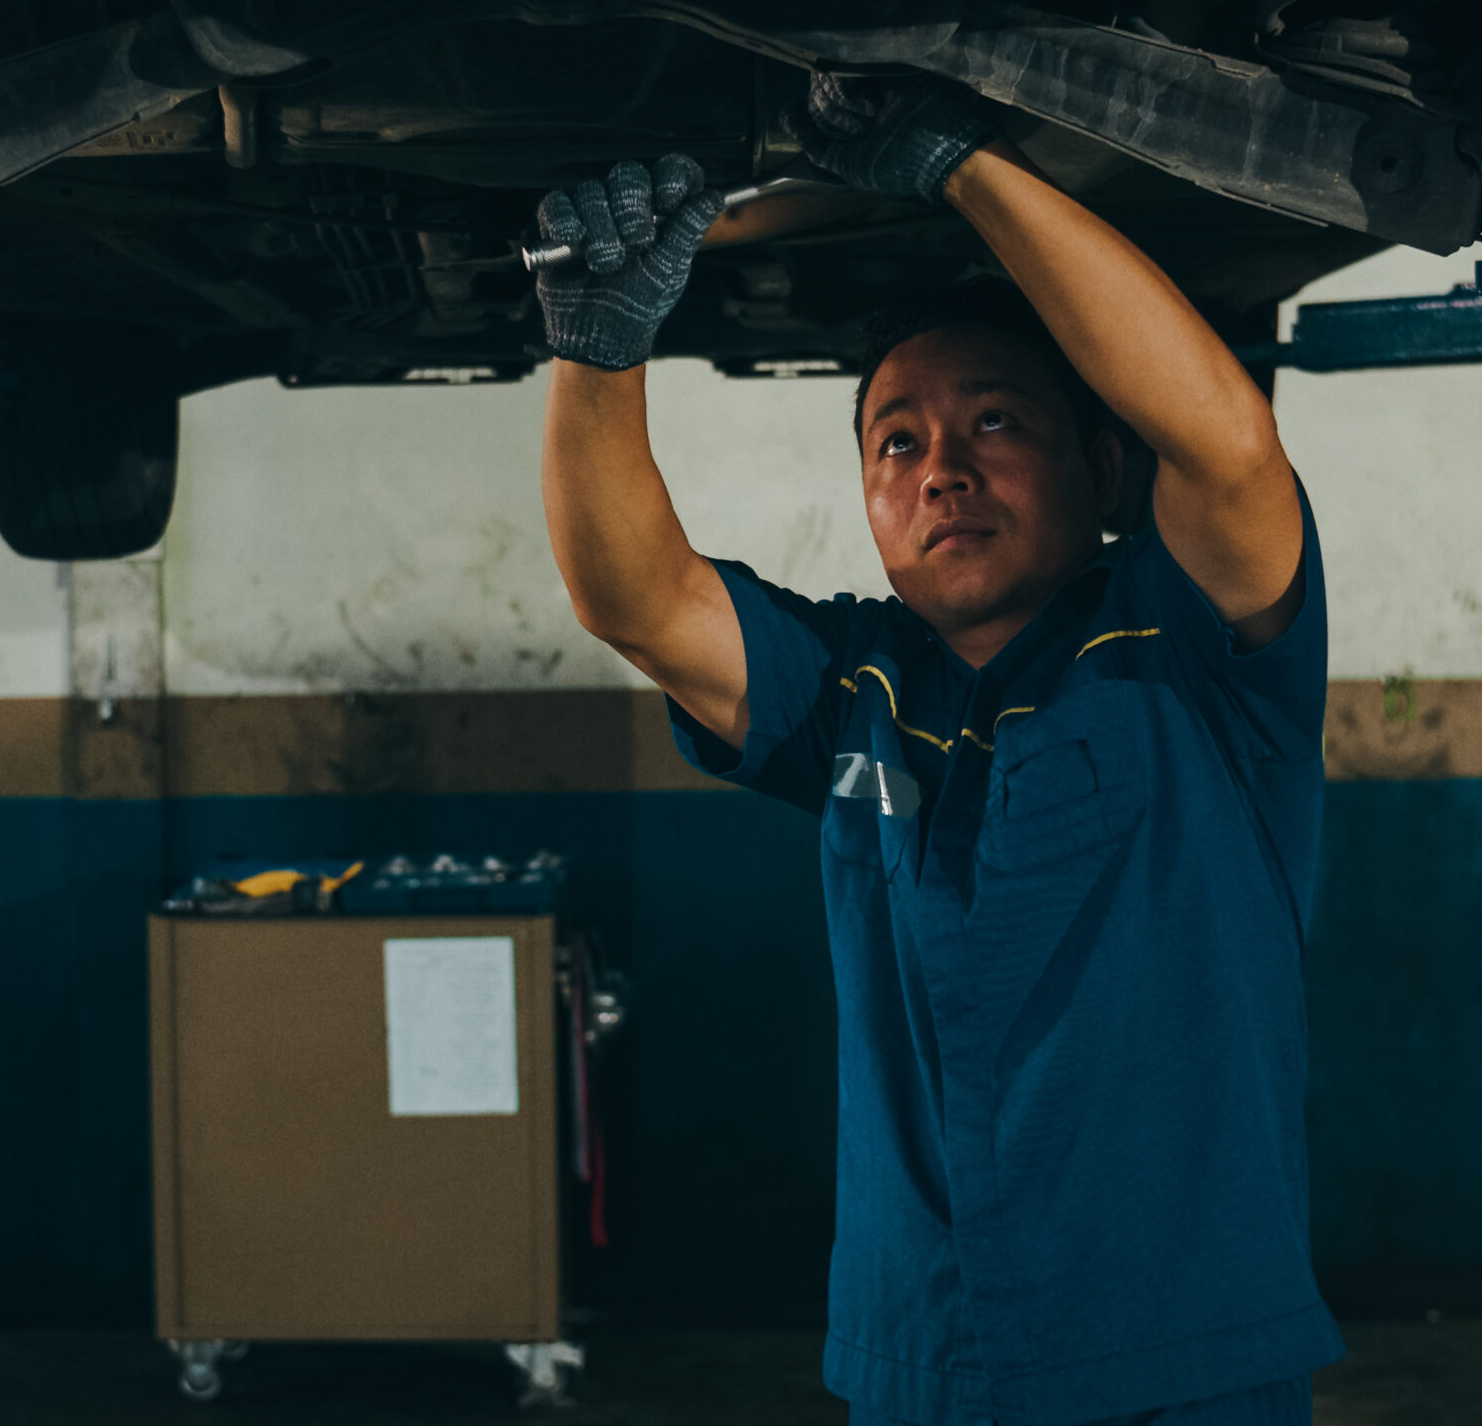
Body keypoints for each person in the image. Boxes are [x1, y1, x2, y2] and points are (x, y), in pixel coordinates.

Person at [532, 73, 1342, 1426]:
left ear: (1102, 470)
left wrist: (968, 162)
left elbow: (1228, 443)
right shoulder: (852, 684)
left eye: (995, 424)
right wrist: (598, 346)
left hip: (1184, 1354)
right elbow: (638, 600)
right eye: (894, 445)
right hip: (928, 1356)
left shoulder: (1189, 654)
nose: (939, 471)